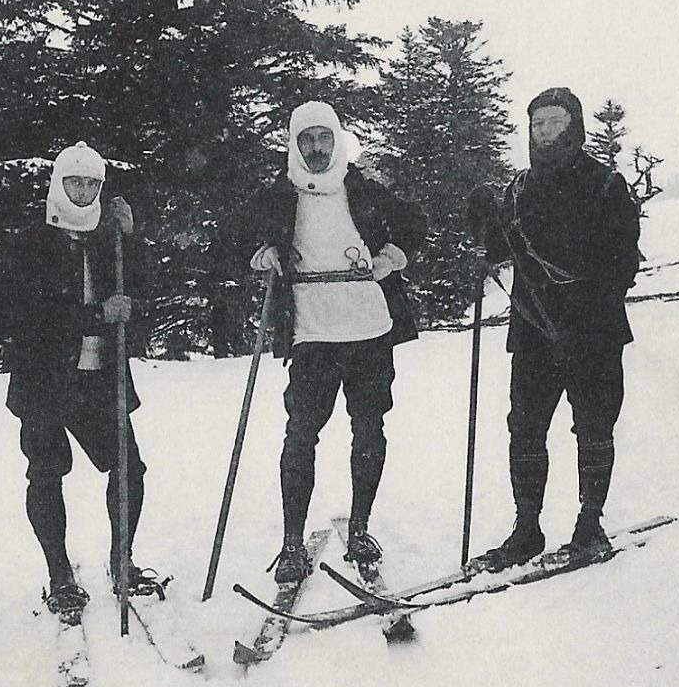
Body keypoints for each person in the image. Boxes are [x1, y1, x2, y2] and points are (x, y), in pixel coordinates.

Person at [246, 101, 427, 582]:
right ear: (294, 144)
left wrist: (394, 253)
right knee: (301, 432)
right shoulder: (280, 197)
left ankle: (362, 525)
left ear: (338, 140)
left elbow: (415, 222)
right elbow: (235, 238)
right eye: (307, 140)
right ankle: (291, 543)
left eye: (324, 138)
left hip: (369, 327)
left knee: (368, 426)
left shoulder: (362, 190)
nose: (317, 148)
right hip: (311, 333)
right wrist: (261, 252)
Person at [465, 87, 642, 568]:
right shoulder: (519, 190)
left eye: (553, 123)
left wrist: (586, 314)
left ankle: (590, 524)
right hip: (532, 334)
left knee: (594, 428)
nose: (543, 132)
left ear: (574, 127)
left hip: (594, 335)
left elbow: (623, 263)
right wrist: (484, 219)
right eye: (536, 124)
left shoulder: (606, 186)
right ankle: (527, 529)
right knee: (524, 430)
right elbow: (500, 252)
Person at [5, 142, 160, 621]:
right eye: (75, 182)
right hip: (45, 381)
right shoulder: (33, 241)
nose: (84, 191)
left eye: (93, 183)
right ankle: (59, 572)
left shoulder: (106, 236)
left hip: (99, 376)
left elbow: (141, 295)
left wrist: (130, 240)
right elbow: (29, 314)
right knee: (47, 473)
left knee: (128, 468)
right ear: (58, 184)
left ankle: (121, 559)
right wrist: (96, 313)